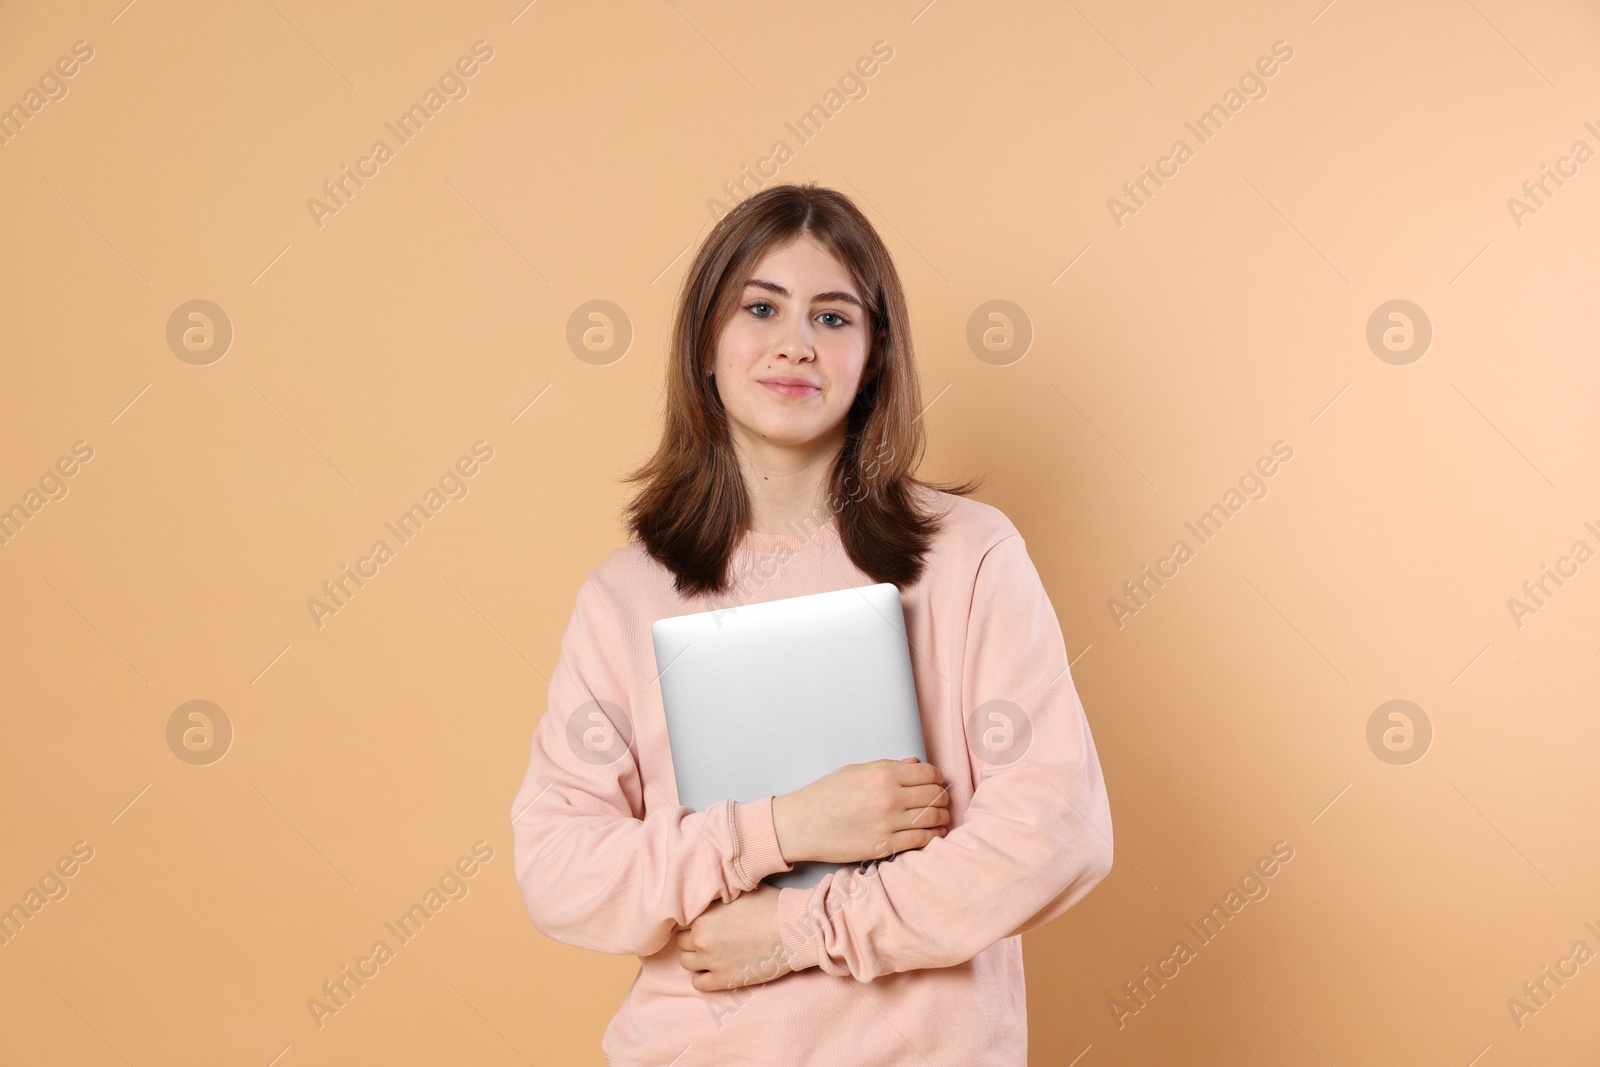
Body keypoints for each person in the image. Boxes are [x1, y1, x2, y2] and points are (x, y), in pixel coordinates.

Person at [509, 182, 1113, 1065]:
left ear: (873, 358)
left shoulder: (971, 558)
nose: (795, 343)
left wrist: (799, 928)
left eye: (834, 318)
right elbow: (561, 872)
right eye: (761, 308)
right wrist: (784, 827)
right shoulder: (625, 595)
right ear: (706, 348)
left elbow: (1056, 830)